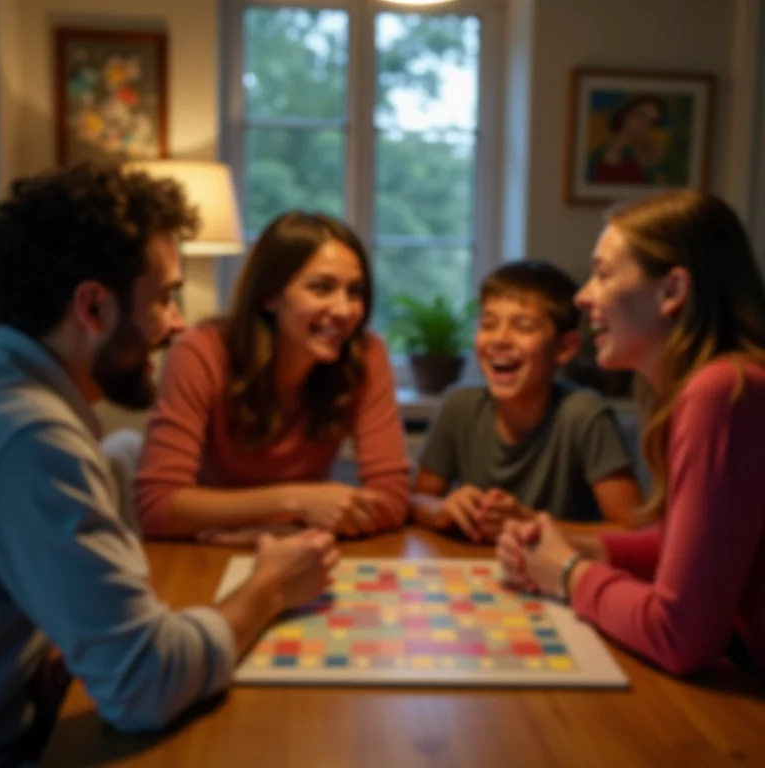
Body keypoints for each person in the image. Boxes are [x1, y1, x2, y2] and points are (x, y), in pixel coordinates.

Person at [0, 164, 339, 766]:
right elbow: (143, 685)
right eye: (163, 298)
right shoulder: (33, 434)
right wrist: (270, 587)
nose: (177, 322)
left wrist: (48, 640)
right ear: (93, 307)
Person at [498, 190, 765, 678]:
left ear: (672, 291)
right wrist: (586, 549)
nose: (582, 297)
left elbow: (680, 635)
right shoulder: (720, 385)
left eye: (602, 274)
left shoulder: (722, 391)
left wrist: (566, 573)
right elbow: (688, 544)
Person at [135, 211, 410, 543]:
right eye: (321, 288)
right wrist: (298, 502)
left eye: (355, 291)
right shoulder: (201, 353)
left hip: (295, 548)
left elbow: (393, 499)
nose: (344, 310)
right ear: (270, 296)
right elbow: (157, 507)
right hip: (202, 555)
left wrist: (275, 529)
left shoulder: (365, 354)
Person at [411, 261, 642, 543]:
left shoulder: (584, 414)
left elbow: (633, 530)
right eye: (488, 324)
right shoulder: (459, 406)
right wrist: (442, 508)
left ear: (565, 348)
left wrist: (532, 524)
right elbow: (416, 498)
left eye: (523, 326)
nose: (500, 339)